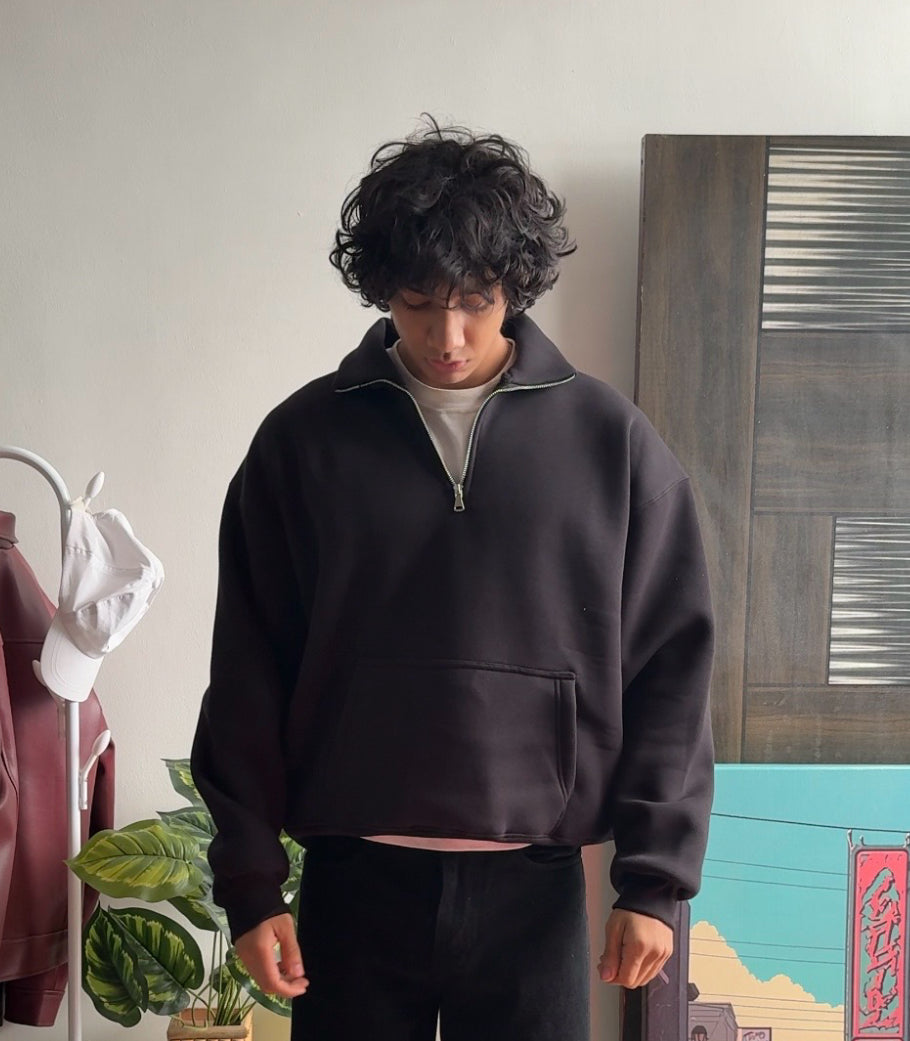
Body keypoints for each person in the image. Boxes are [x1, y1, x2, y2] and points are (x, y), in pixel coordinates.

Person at [191, 115, 715, 1041]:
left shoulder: (612, 444)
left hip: (536, 886)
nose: (449, 333)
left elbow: (671, 666)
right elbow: (247, 668)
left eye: (476, 299)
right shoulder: (303, 443)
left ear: (517, 284)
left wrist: (654, 881)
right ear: (380, 289)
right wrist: (250, 884)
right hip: (354, 880)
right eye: (418, 301)